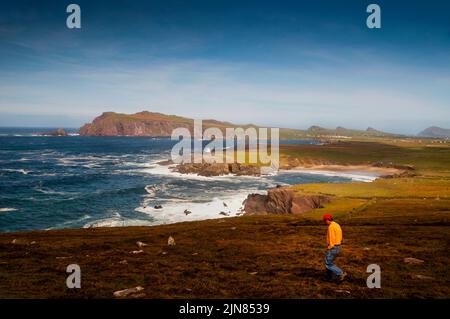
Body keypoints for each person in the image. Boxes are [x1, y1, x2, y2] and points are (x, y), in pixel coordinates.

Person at [323, 214, 347, 282]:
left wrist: (329, 247)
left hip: (333, 247)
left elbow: (331, 239)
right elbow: (341, 236)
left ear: (327, 220)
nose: (325, 222)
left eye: (324, 221)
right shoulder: (337, 225)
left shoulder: (331, 227)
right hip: (338, 246)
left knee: (328, 263)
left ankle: (340, 273)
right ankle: (328, 277)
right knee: (329, 261)